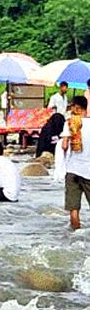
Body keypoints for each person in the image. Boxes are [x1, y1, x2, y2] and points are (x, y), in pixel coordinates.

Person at [62, 96, 90, 229]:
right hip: (88, 171)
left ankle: (75, 235)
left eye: (72, 106)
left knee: (74, 209)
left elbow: (64, 146)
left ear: (77, 108)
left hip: (72, 170)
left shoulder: (69, 123)